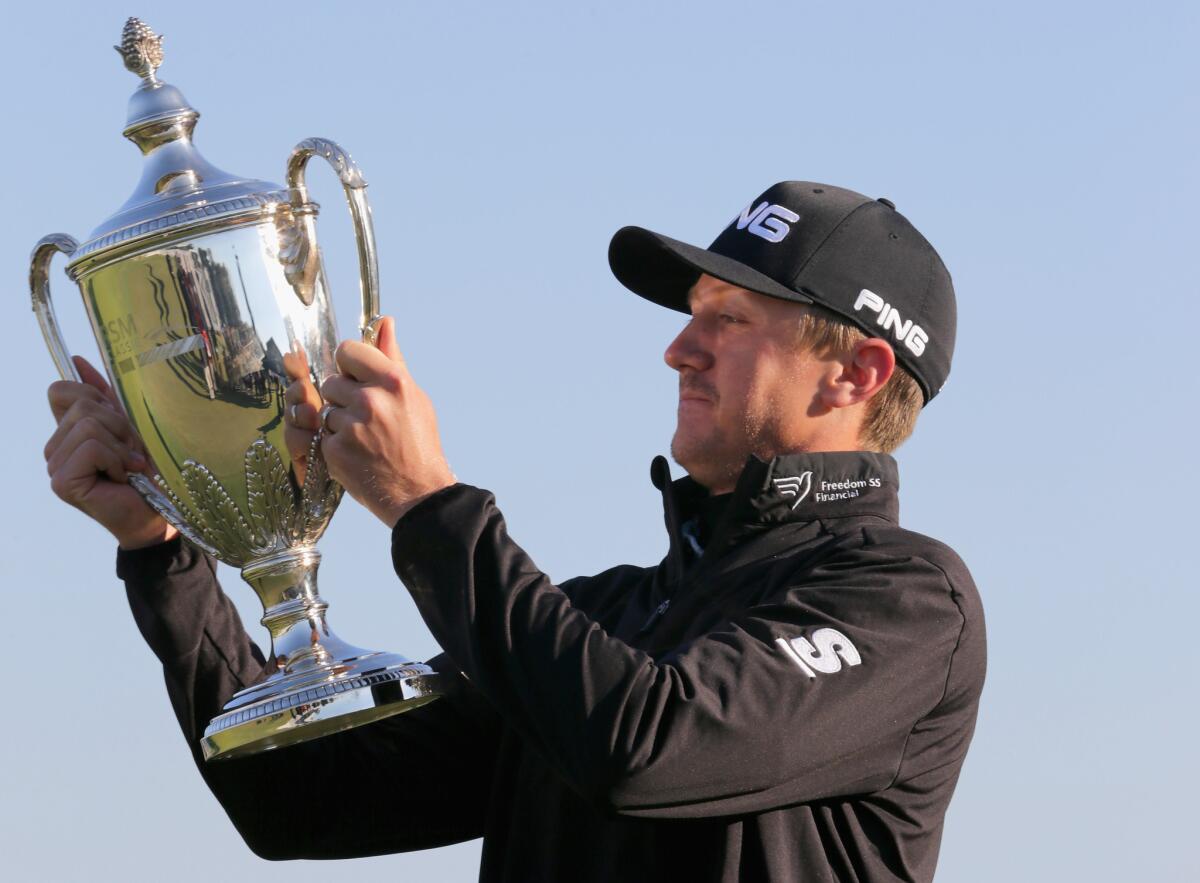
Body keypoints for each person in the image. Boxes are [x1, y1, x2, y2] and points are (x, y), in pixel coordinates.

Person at [44, 181, 985, 882]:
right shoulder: (604, 618)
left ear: (857, 373)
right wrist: (163, 554)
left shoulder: (907, 604)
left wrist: (425, 502)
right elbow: (295, 802)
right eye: (692, 314)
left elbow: (645, 745)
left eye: (730, 320)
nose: (678, 347)